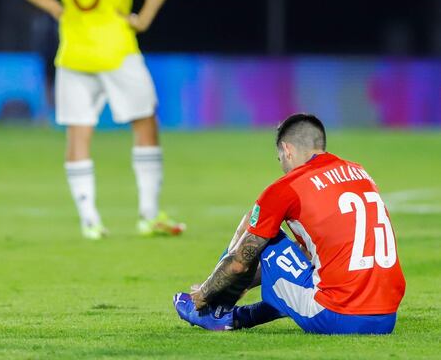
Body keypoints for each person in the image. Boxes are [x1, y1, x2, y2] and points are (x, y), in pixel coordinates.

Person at [6, 0, 183, 239]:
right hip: (117, 48)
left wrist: (53, 7)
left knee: (78, 134)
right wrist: (143, 19)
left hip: (73, 51)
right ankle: (148, 216)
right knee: (145, 124)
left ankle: (89, 220)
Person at [174, 113, 405, 334]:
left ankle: (212, 311)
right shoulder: (359, 172)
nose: (282, 166)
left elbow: (239, 265)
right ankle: (233, 316)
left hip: (338, 316)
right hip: (386, 318)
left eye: (280, 159)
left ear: (286, 149)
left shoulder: (286, 188)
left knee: (256, 224)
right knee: (304, 259)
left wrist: (204, 293)